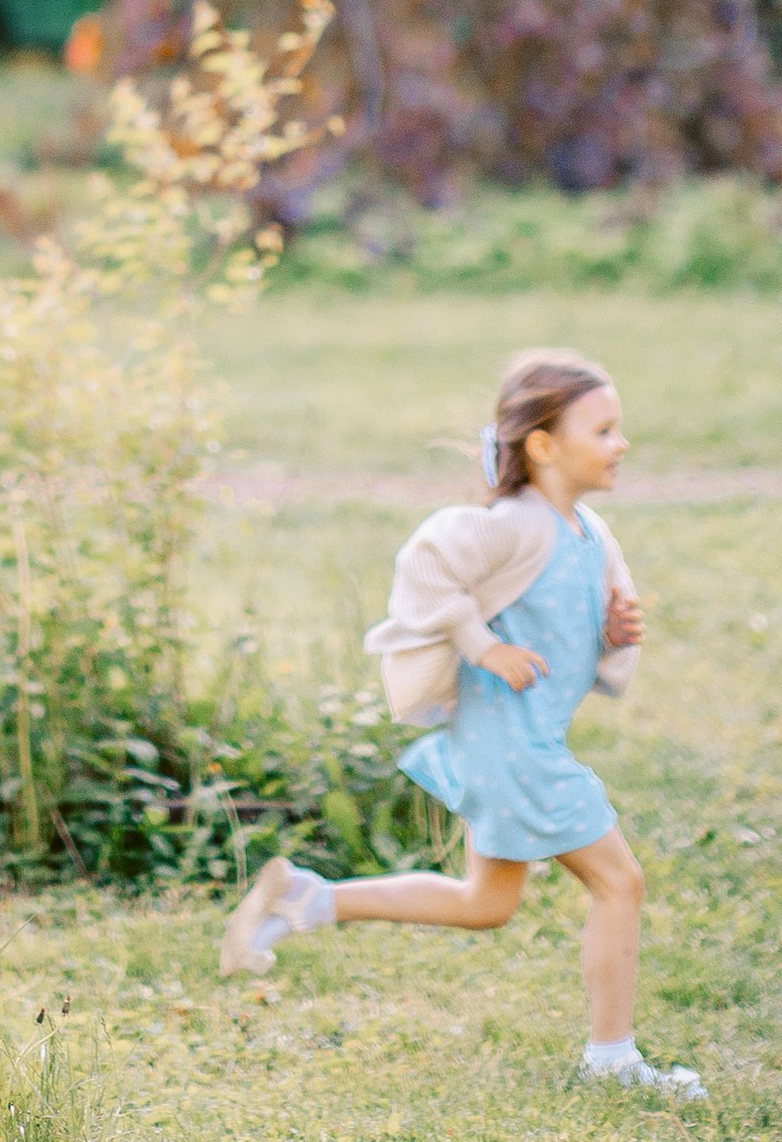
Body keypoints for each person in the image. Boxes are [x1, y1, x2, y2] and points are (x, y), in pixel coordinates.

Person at [219, 347, 705, 1100]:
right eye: (604, 430)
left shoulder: (585, 532)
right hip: (512, 747)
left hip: (512, 743)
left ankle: (309, 899)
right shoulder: (511, 525)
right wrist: (482, 644)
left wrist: (614, 629)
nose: (621, 444)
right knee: (620, 883)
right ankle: (613, 1061)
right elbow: (426, 567)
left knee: (487, 904)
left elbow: (571, 628)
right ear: (543, 447)